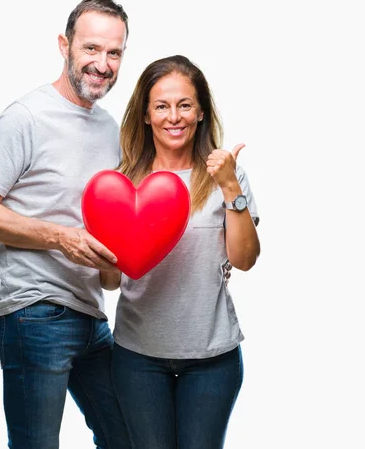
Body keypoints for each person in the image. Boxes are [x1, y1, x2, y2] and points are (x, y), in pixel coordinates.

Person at [0, 0, 132, 449]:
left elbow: (104, 227)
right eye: (91, 48)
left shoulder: (111, 130)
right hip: (34, 313)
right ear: (64, 45)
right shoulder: (25, 118)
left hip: (92, 316)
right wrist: (59, 237)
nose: (102, 64)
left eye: (114, 53)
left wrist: (115, 262)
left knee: (131, 435)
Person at [102, 55, 261, 449]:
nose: (174, 117)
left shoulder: (227, 173)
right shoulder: (121, 182)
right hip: (138, 356)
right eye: (161, 106)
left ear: (201, 111)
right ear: (145, 115)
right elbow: (109, 282)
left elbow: (244, 259)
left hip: (212, 358)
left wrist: (229, 189)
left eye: (185, 105)